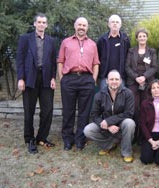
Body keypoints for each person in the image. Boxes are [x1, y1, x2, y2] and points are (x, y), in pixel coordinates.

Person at [57, 17, 100, 151]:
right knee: (68, 111)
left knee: (84, 112)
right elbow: (60, 61)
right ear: (75, 26)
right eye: (79, 25)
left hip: (87, 80)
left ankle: (80, 139)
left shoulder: (92, 44)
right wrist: (62, 78)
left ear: (87, 28)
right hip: (69, 79)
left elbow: (96, 63)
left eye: (84, 25)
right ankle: (68, 139)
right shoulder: (66, 42)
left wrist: (93, 79)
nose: (82, 27)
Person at [16, 13, 57, 154]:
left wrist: (53, 77)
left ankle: (41, 137)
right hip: (29, 78)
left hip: (46, 79)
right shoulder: (25, 39)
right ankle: (30, 139)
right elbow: (20, 59)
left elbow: (53, 61)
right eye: (39, 22)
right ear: (34, 24)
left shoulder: (51, 41)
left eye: (43, 22)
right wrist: (20, 78)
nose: (41, 24)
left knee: (48, 110)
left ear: (46, 25)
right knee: (29, 111)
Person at [84, 70, 136, 163]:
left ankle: (126, 152)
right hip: (106, 127)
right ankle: (108, 145)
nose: (114, 81)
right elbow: (94, 114)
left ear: (120, 81)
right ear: (107, 81)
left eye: (117, 79)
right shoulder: (99, 95)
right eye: (111, 79)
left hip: (121, 125)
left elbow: (129, 113)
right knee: (88, 130)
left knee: (130, 123)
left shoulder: (128, 93)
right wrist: (108, 125)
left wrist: (109, 121)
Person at [125, 28, 158, 144]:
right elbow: (127, 67)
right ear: (137, 38)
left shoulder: (152, 51)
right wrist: (136, 77)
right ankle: (133, 135)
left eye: (144, 36)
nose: (142, 38)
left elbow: (154, 67)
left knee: (146, 109)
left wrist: (144, 77)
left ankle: (144, 136)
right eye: (140, 36)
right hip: (133, 82)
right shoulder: (131, 51)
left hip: (147, 82)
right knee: (134, 109)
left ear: (147, 38)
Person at [97, 14, 131, 89]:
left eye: (117, 22)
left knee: (121, 100)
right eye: (112, 22)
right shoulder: (102, 40)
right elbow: (97, 57)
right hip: (105, 78)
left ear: (120, 25)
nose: (115, 23)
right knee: (105, 99)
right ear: (109, 24)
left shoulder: (125, 40)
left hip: (120, 77)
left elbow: (128, 56)